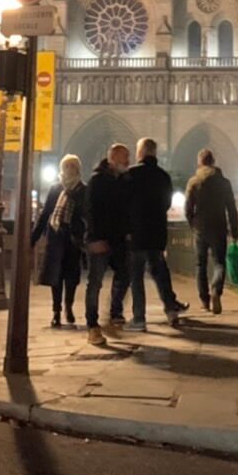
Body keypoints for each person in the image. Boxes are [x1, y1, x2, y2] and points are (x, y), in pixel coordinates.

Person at [123, 137, 188, 331]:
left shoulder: (130, 175)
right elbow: (167, 204)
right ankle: (171, 310)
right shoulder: (163, 177)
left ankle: (139, 318)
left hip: (136, 234)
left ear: (141, 152)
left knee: (136, 277)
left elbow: (123, 204)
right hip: (157, 233)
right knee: (160, 273)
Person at [83, 143, 132, 346]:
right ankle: (92, 325)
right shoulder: (96, 181)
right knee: (95, 283)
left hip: (119, 239)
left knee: (125, 275)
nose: (128, 162)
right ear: (112, 158)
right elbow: (89, 210)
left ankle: (114, 314)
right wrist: (94, 238)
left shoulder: (125, 181)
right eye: (124, 158)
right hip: (100, 239)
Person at [31, 154, 87, 328]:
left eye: (73, 166)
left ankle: (68, 307)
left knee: (71, 277)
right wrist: (33, 238)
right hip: (55, 237)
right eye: (67, 166)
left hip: (72, 240)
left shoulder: (82, 190)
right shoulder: (55, 189)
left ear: (78, 169)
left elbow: (86, 215)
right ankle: (56, 311)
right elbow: (46, 213)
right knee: (56, 276)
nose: (69, 169)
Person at [183, 148, 238, 315]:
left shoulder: (194, 181)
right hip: (219, 227)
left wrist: (192, 223)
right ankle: (216, 290)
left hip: (200, 228)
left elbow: (188, 207)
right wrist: (234, 230)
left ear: (200, 162)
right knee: (219, 263)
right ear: (213, 162)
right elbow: (232, 208)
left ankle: (204, 301)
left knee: (200, 265)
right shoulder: (224, 182)